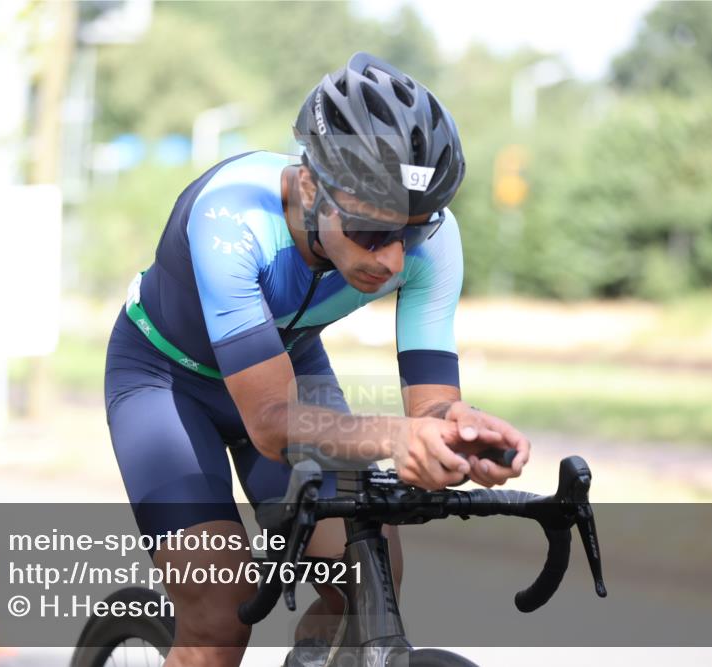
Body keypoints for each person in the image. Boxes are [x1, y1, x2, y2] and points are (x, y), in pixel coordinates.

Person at [104, 51, 532, 667]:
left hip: (288, 364)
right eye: (368, 232)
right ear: (311, 187)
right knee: (219, 614)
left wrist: (459, 434)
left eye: (409, 234)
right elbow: (274, 423)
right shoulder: (232, 218)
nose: (390, 259)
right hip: (165, 383)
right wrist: (398, 436)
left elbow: (431, 401)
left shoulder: (434, 239)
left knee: (368, 572)